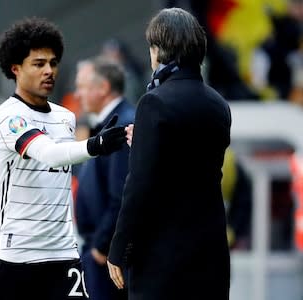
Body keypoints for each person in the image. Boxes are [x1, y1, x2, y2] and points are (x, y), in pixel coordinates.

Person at [0, 17, 128, 300]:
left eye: (53, 63)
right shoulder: (8, 117)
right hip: (13, 256)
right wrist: (96, 145)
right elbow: (49, 154)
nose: (49, 71)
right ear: (15, 68)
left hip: (62, 255)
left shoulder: (65, 117)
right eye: (38, 64)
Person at [107, 8, 231, 300]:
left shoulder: (154, 102)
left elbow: (139, 185)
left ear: (161, 51)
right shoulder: (218, 104)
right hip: (211, 253)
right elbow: (196, 164)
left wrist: (119, 247)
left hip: (163, 258)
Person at [73, 56, 134, 300]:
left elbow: (122, 192)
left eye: (83, 87)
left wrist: (102, 245)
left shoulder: (123, 125)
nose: (78, 94)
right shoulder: (108, 123)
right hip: (100, 251)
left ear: (103, 88)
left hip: (107, 256)